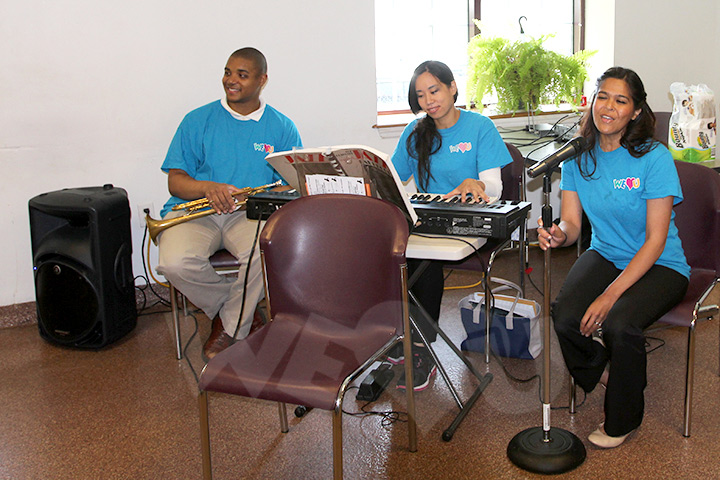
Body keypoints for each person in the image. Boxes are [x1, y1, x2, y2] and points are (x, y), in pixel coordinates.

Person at [537, 66, 690, 448]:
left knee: (619, 323)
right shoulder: (578, 156)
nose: (608, 107)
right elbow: (573, 223)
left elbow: (655, 241)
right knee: (566, 313)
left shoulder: (653, 158)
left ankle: (623, 418)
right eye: (602, 96)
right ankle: (611, 371)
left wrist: (609, 295)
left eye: (621, 100)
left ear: (636, 111)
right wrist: (559, 235)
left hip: (661, 264)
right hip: (606, 252)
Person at [156, 47, 302, 361]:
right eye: (227, 72)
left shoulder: (281, 126)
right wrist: (208, 187)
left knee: (269, 252)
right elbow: (175, 180)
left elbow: (294, 182)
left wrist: (270, 193)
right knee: (173, 263)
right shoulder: (197, 120)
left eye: (241, 75)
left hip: (248, 214)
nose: (230, 81)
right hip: (197, 211)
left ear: (262, 80)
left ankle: (229, 326)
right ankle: (238, 315)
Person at [389, 60, 512, 391]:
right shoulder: (415, 132)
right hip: (433, 220)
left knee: (420, 260)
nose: (429, 100)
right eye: (421, 95)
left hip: (474, 222)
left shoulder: (479, 126)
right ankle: (401, 337)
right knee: (395, 251)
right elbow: (395, 181)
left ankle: (421, 349)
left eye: (435, 90)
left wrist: (476, 184)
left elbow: (495, 188)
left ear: (452, 87)